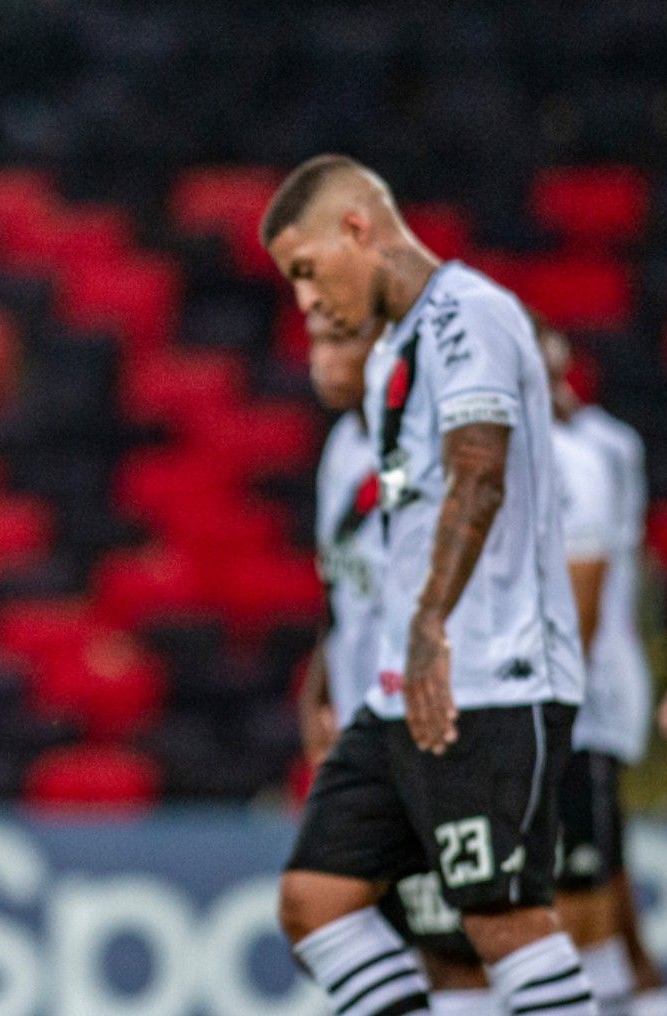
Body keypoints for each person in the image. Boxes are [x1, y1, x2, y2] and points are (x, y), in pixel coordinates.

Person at [266, 154, 596, 1016]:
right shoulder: (392, 358)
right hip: (399, 693)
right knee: (315, 902)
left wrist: (428, 624)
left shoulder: (469, 314)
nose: (305, 300)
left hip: (489, 677)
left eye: (307, 271)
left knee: (500, 923)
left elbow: (479, 472)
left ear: (357, 229)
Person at [300, 308, 497, 1014]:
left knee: (458, 956)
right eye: (317, 343)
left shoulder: (430, 453)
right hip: (370, 731)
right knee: (372, 930)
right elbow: (343, 593)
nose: (319, 359)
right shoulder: (341, 450)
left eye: (339, 342)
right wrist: (319, 697)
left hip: (433, 734)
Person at [540, 321, 661, 1013]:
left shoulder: (599, 451)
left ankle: (628, 990)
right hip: (549, 695)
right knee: (597, 859)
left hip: (584, 699)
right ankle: (643, 990)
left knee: (583, 872)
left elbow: (596, 581)